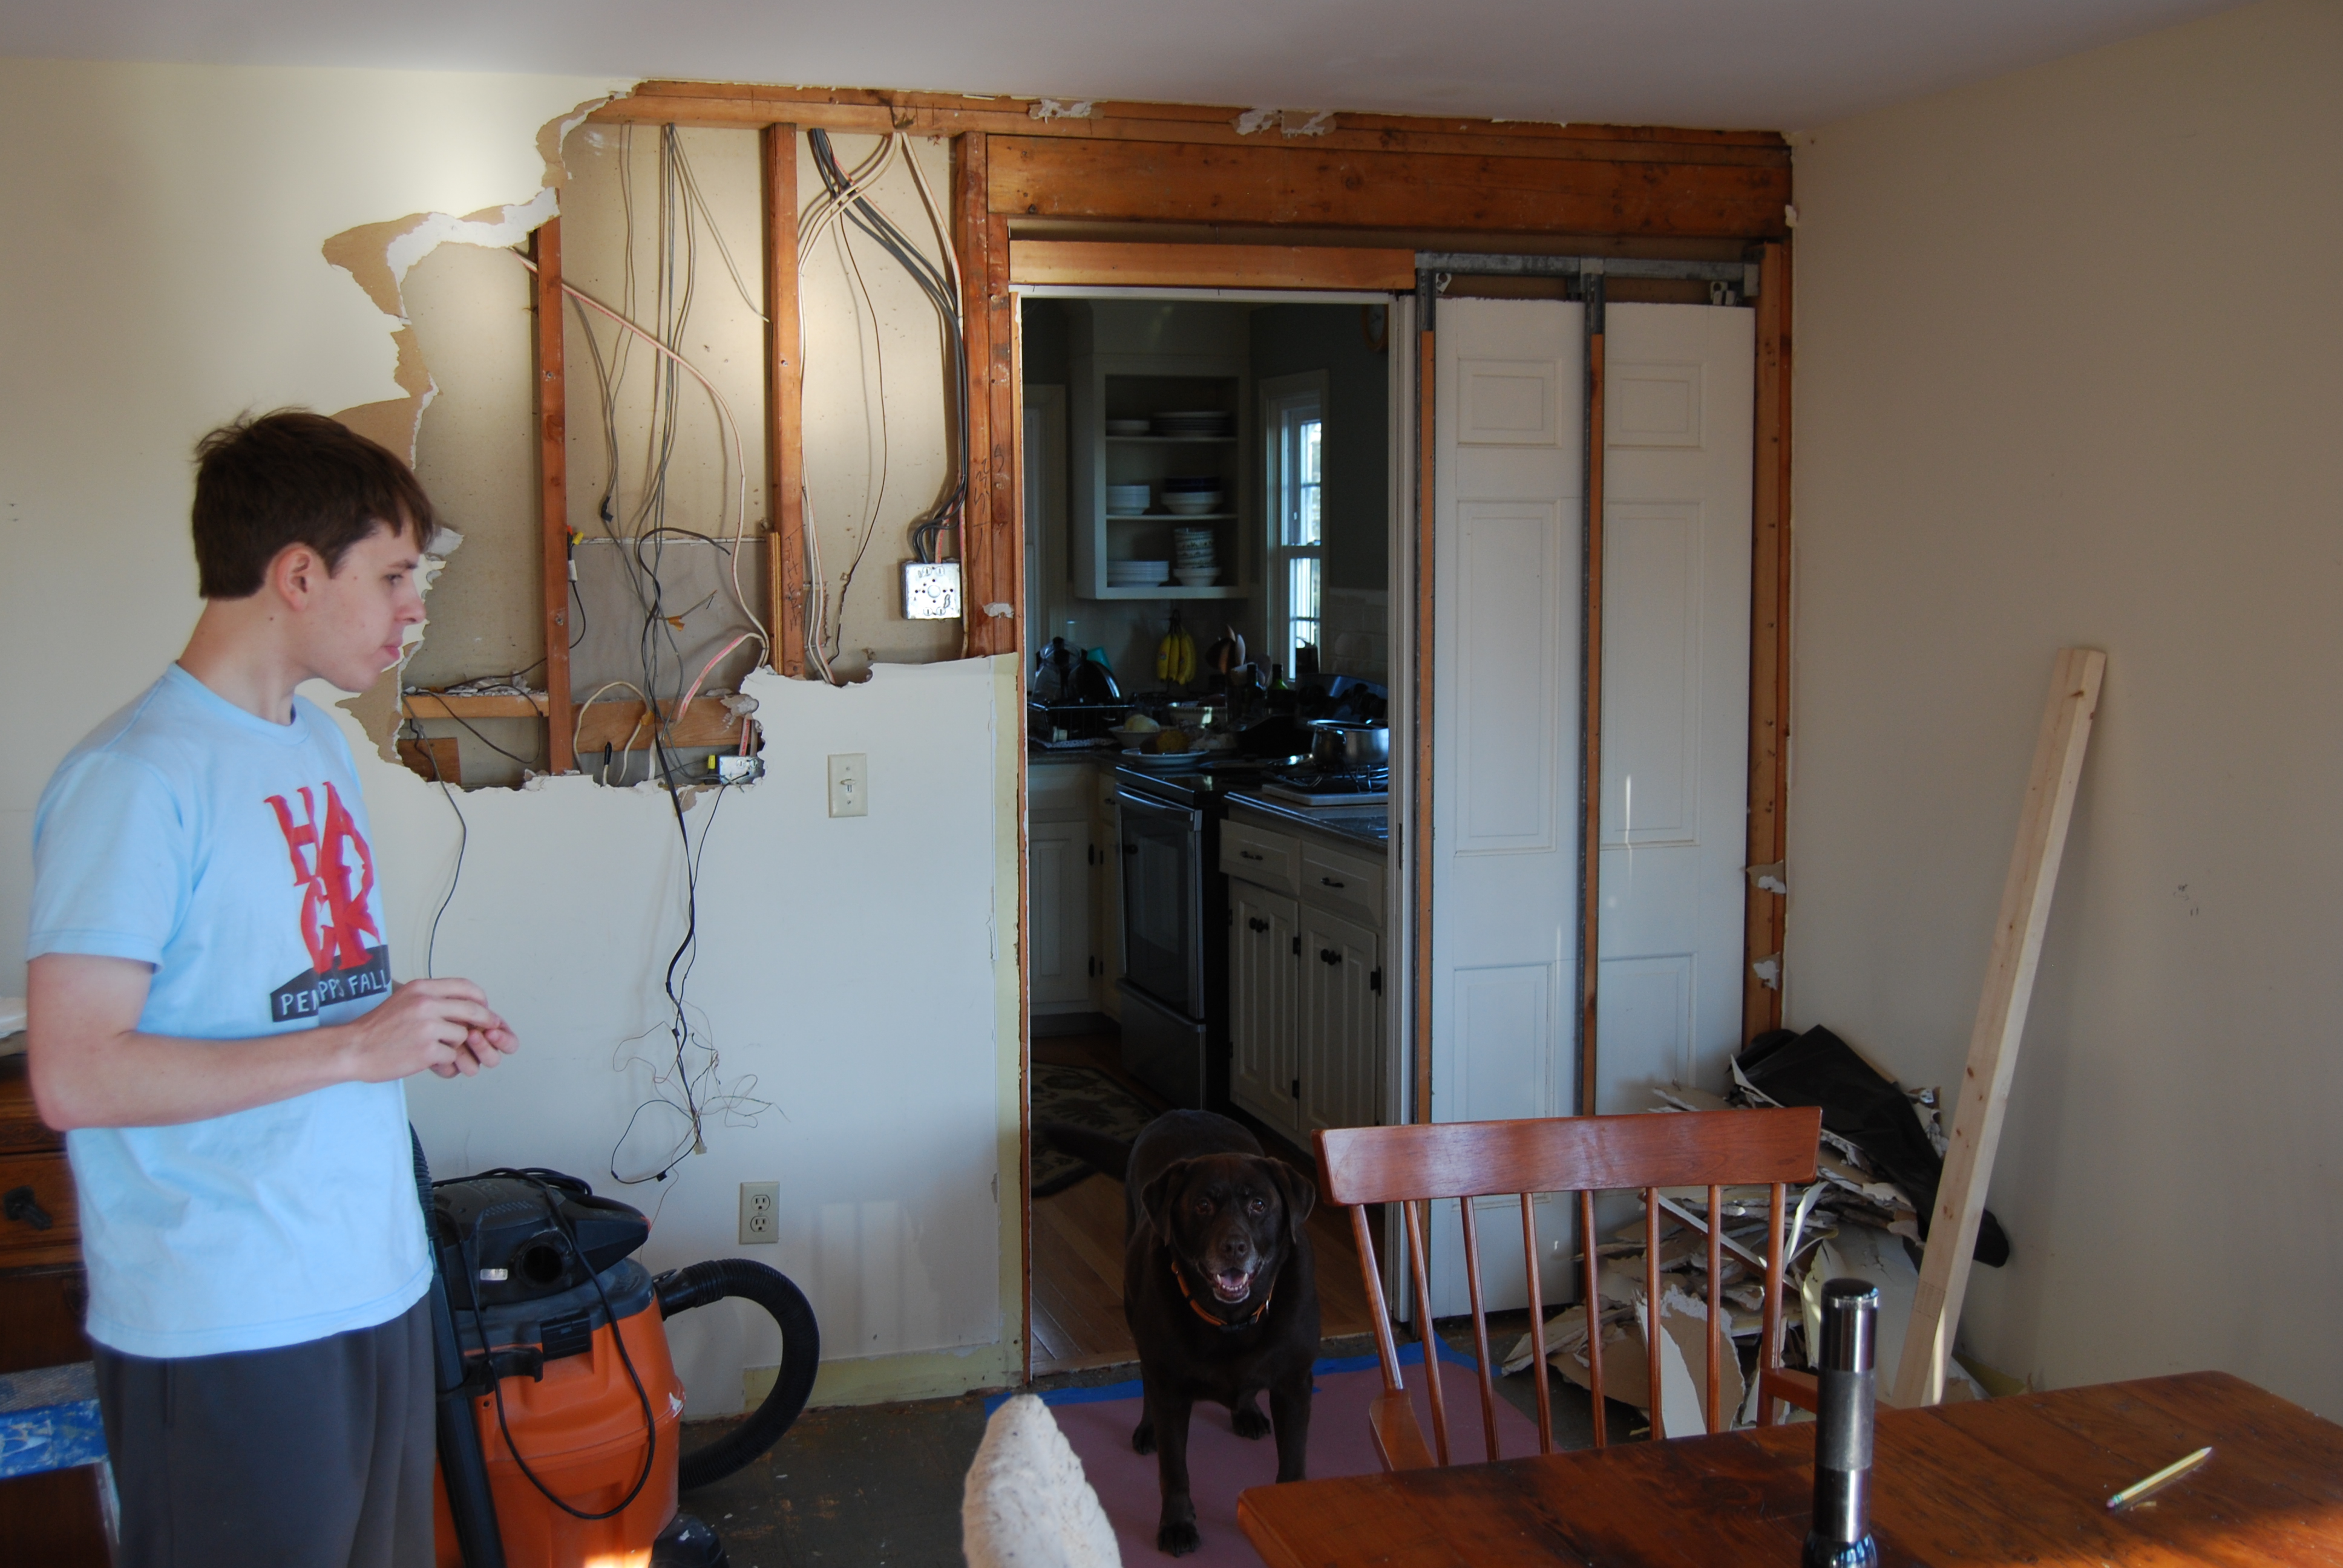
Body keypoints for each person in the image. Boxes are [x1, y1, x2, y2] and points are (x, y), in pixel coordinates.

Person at [24, 410, 520, 1568]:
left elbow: (289, 987)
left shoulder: (316, 742)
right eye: (395, 574)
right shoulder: (132, 779)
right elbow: (74, 1072)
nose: (417, 608)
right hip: (225, 1315)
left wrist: (405, 1028)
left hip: (373, 1278)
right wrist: (355, 1051)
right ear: (298, 574)